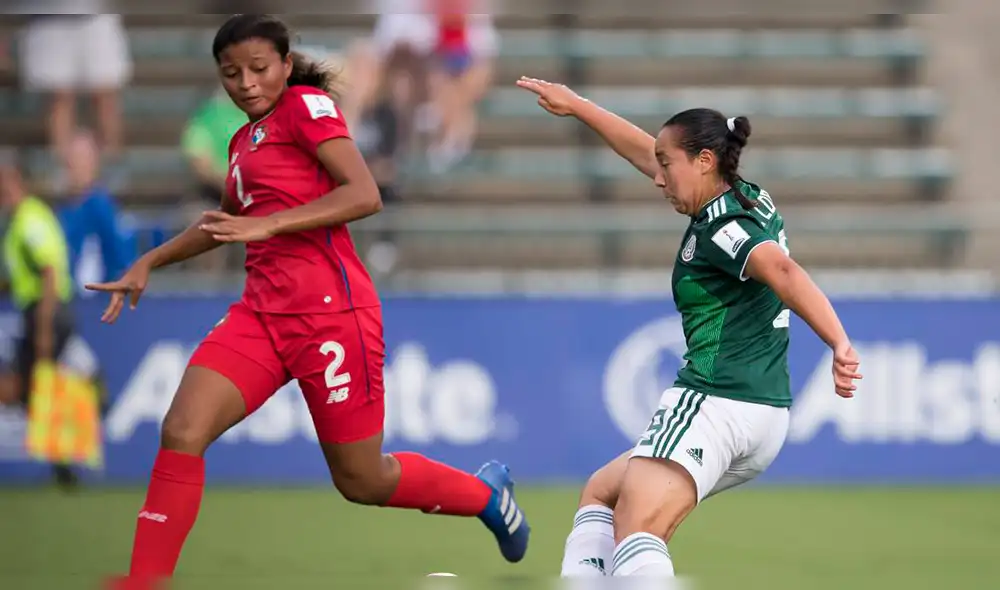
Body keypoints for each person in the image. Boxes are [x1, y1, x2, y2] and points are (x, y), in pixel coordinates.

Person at [92, 15, 529, 586]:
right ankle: (144, 581)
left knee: (362, 481)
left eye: (257, 68)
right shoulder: (242, 140)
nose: (245, 83)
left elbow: (364, 193)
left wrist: (270, 224)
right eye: (231, 73)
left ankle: (485, 496)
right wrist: (152, 261)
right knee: (181, 428)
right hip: (260, 315)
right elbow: (229, 222)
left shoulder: (306, 107)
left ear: (284, 61)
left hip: (331, 317)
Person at [516, 77, 862, 578]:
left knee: (637, 529)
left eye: (666, 165)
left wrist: (838, 342)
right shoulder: (746, 196)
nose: (657, 178)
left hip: (718, 399)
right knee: (603, 492)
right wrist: (578, 107)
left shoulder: (723, 230)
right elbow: (643, 150)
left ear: (703, 160)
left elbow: (785, 273)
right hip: (762, 412)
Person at [0, 163, 79, 489]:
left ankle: (64, 461)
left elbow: (48, 272)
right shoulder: (22, 218)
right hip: (40, 311)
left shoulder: (29, 219)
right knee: (35, 389)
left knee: (24, 387)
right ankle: (62, 465)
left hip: (46, 312)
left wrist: (44, 327)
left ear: (17, 182)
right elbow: (26, 273)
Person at [57, 130, 133, 293]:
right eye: (72, 158)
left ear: (94, 162)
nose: (75, 165)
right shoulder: (62, 210)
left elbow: (121, 260)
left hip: (96, 301)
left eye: (81, 158)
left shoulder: (102, 208)